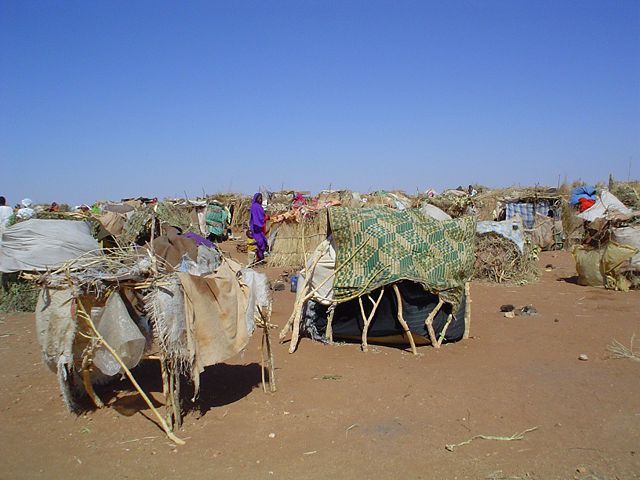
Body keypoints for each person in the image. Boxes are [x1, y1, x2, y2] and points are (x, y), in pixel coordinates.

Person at [249, 192, 267, 262]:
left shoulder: (256, 206)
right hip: (256, 227)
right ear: (256, 199)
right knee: (259, 242)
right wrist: (265, 219)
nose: (261, 200)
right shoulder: (256, 207)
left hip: (258, 228)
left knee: (261, 242)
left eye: (261, 199)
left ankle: (260, 258)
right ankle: (258, 258)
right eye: (259, 198)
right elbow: (259, 218)